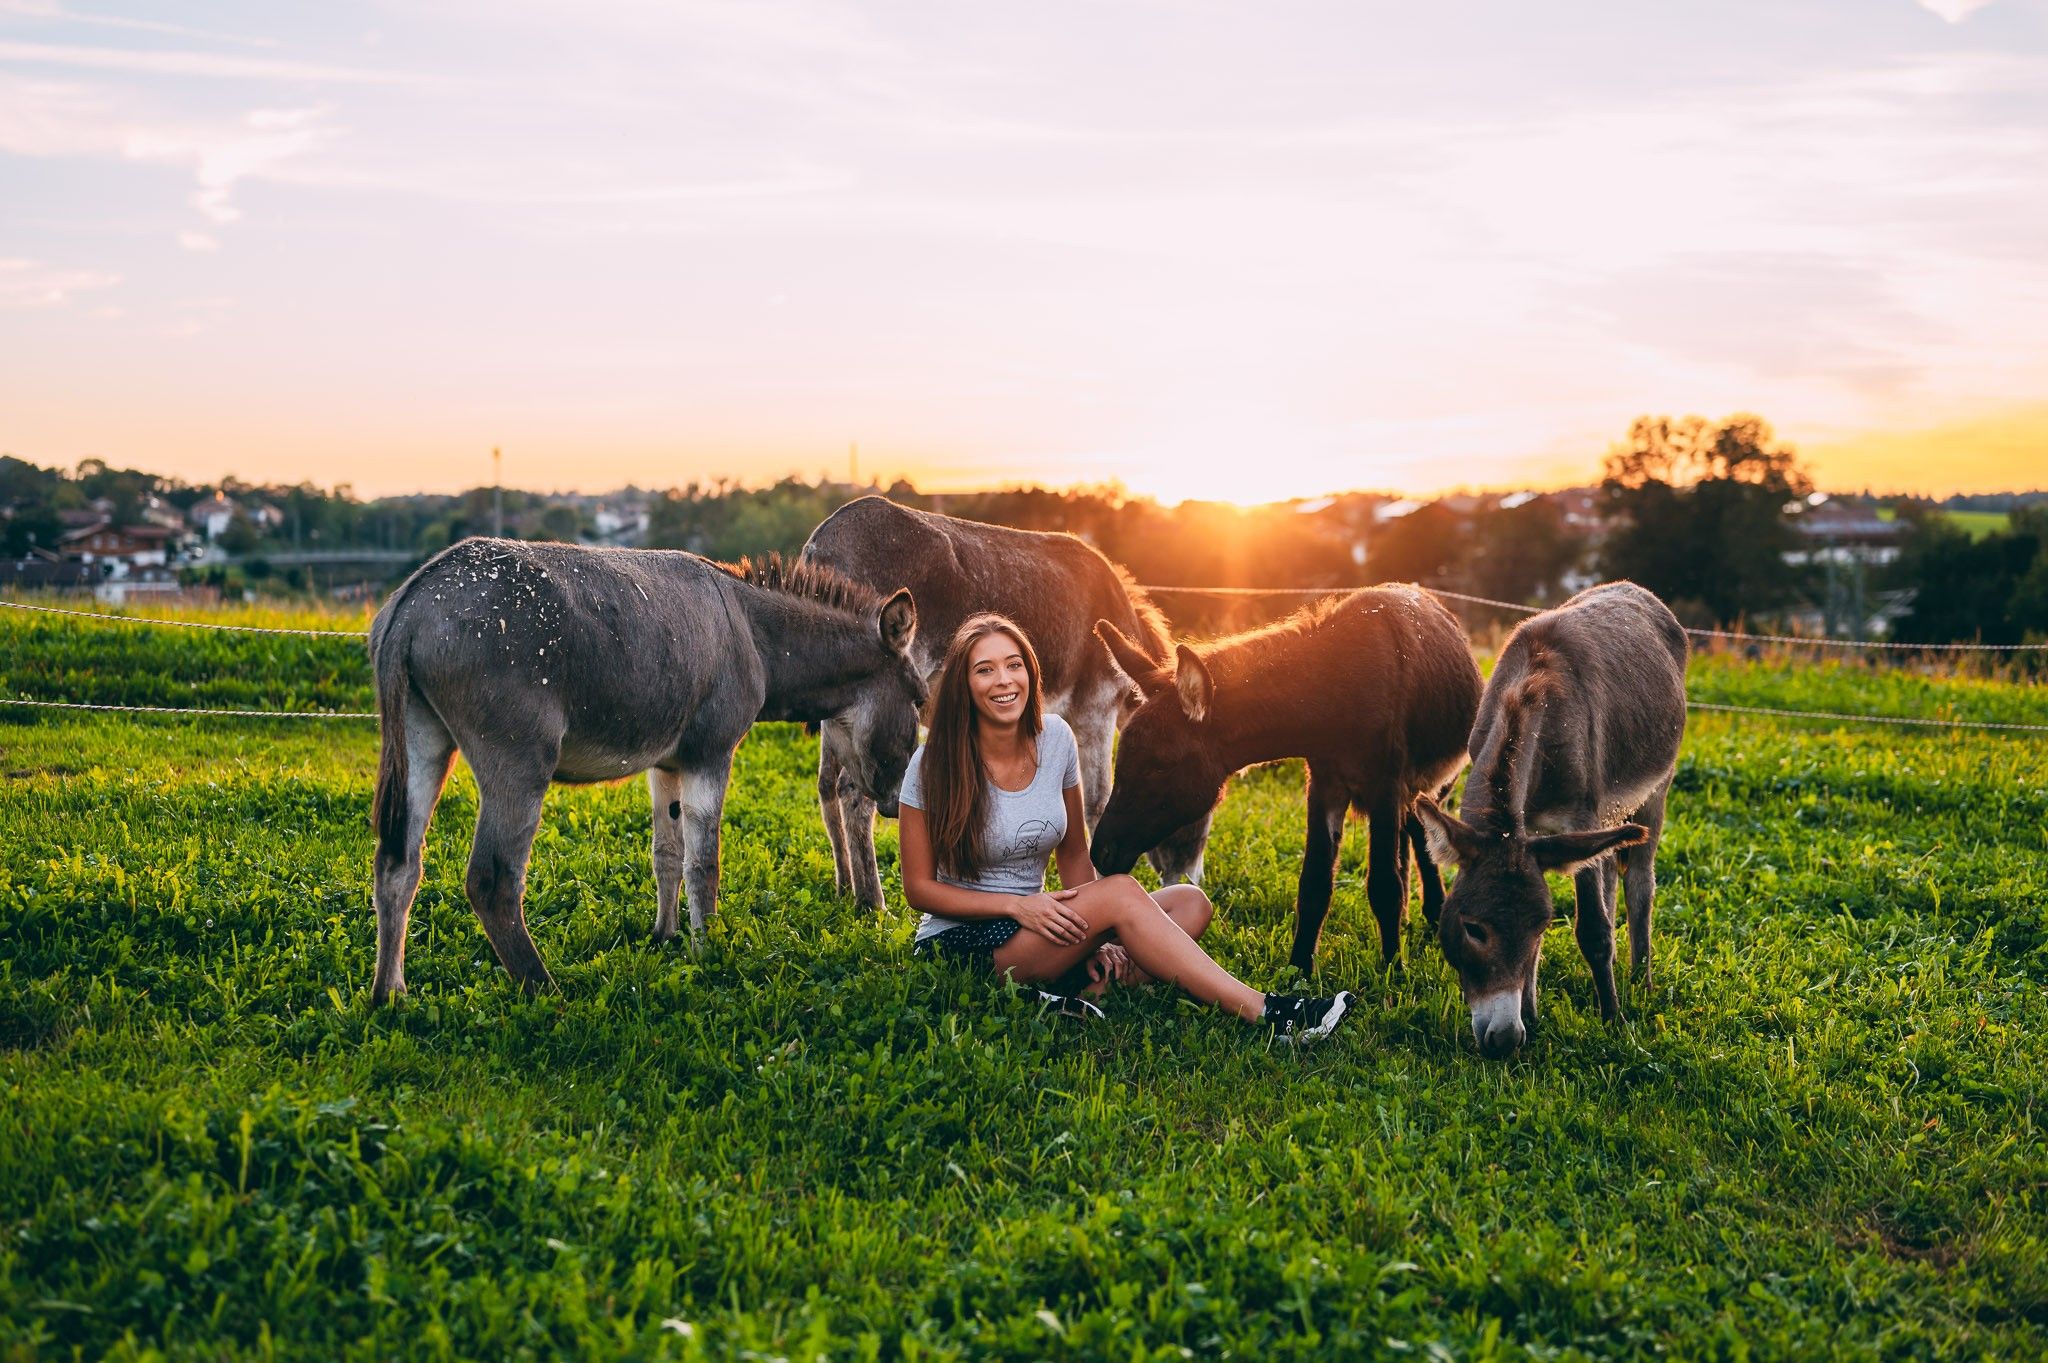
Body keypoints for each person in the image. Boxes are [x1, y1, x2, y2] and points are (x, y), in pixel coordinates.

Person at [899, 612, 1353, 1041]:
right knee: (1121, 895)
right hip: (966, 944)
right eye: (985, 670)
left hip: (1046, 926)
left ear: (1030, 673)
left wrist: (1091, 936)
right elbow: (919, 889)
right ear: (964, 683)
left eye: (1014, 665)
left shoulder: (1055, 738)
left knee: (1190, 903)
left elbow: (1075, 853)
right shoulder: (931, 764)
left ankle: (1071, 994)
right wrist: (1017, 908)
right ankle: (1270, 1014)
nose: (1004, 680)